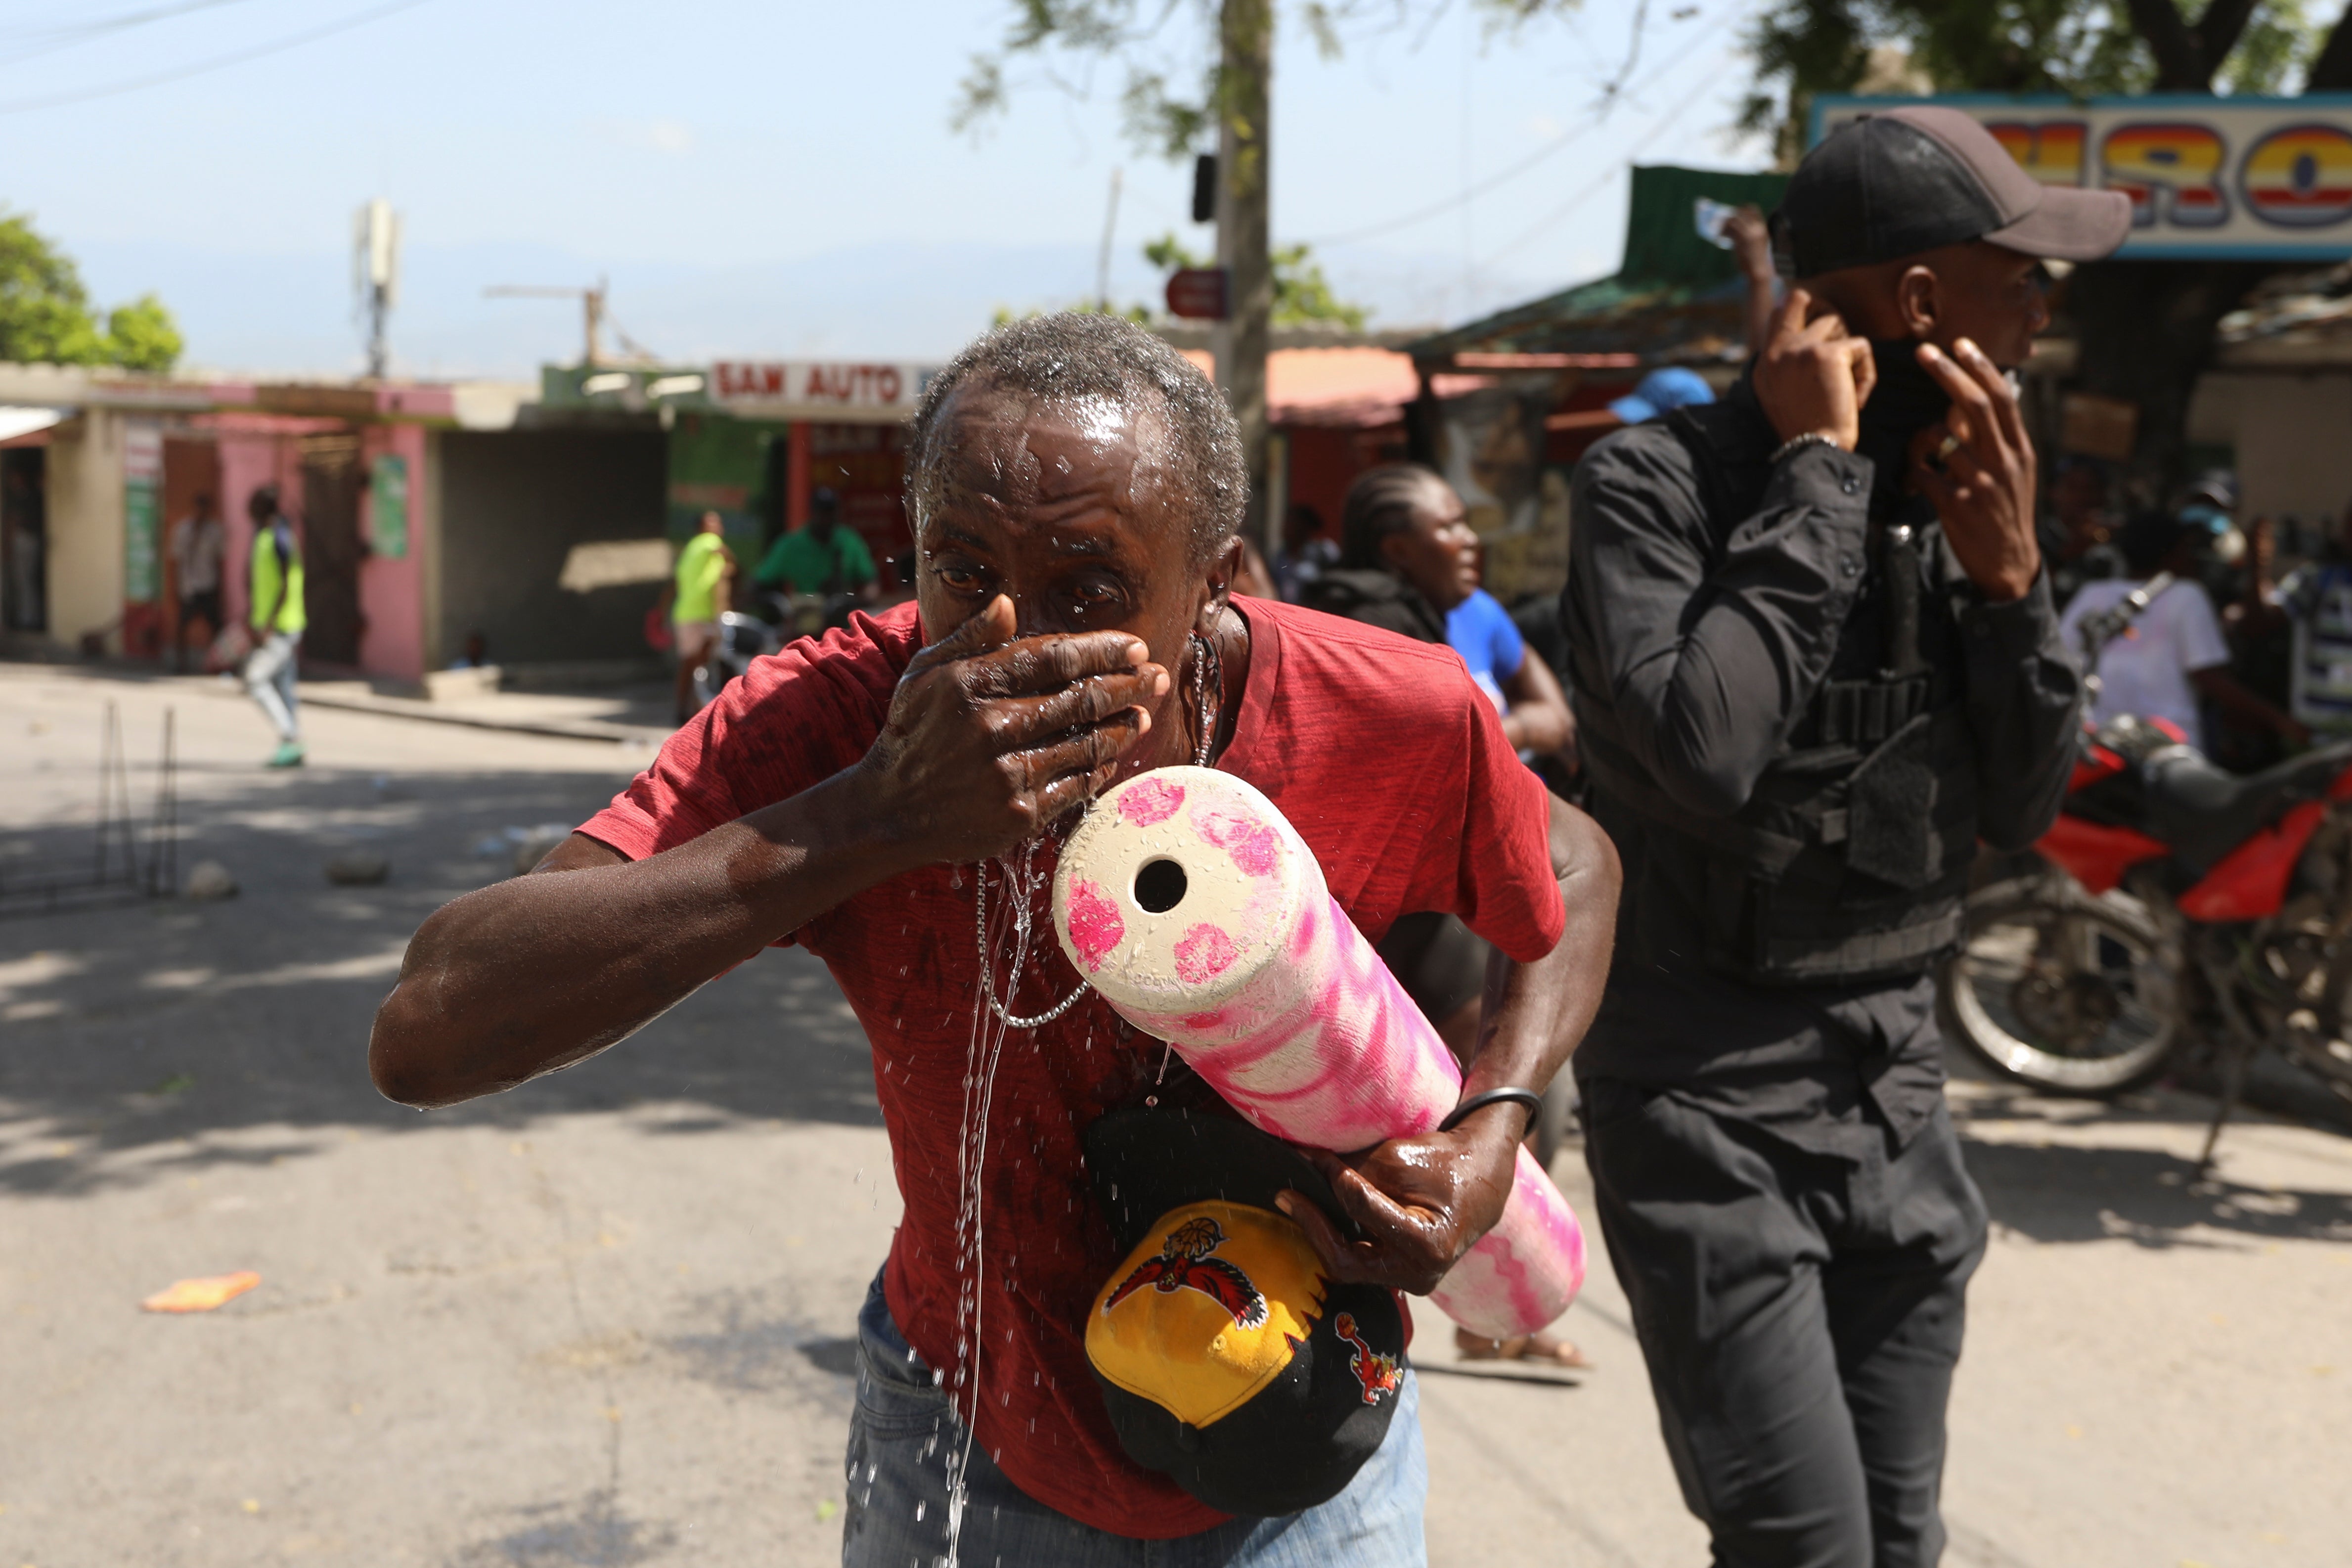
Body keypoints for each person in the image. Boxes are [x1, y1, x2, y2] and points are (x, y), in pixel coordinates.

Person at [367, 313, 1621, 1567]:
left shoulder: (1380, 709)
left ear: (1214, 582)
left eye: (1092, 588)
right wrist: (871, 817)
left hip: (1303, 1427)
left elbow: (1574, 859)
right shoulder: (846, 719)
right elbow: (428, 1034)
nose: (1012, 644)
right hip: (968, 1423)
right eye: (962, 573)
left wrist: (1494, 1126)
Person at [1562, 104, 2126, 1567]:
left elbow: (2017, 810)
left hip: (1893, 1095)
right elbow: (1701, 748)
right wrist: (1816, 473)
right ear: (1924, 298)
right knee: (1802, 1549)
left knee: (1898, 1540)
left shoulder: (1962, 492)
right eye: (2022, 273)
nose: (2043, 305)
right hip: (1705, 1113)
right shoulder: (1653, 489)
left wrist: (2008, 591)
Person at [2061, 511, 2307, 757]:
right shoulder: (2187, 595)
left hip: (2098, 747)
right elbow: (2209, 677)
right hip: (2167, 752)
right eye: (2186, 549)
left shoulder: (2092, 594)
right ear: (2172, 554)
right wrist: (2280, 721)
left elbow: (2063, 660)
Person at [243, 486, 307, 768]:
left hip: (282, 625)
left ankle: (290, 737)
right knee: (284, 687)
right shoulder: (266, 535)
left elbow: (282, 584)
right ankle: (293, 747)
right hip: (275, 624)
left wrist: (268, 623)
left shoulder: (280, 537)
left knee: (255, 679)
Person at [752, 486, 878, 604]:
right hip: (803, 617)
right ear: (812, 513)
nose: (826, 519)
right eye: (821, 513)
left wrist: (863, 599)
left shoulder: (849, 541)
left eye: (830, 512)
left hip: (841, 617)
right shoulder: (792, 544)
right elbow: (759, 581)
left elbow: (870, 581)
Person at [670, 509, 734, 723]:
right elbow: (728, 560)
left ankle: (684, 711)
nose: (717, 527)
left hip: (687, 613)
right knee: (700, 666)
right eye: (712, 523)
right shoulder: (710, 543)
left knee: (691, 665)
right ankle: (697, 716)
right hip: (700, 615)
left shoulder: (690, 548)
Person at [170, 492, 226, 672]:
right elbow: (175, 560)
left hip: (208, 584)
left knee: (216, 626)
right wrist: (175, 586)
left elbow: (219, 561)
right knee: (182, 626)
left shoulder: (215, 531)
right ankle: (181, 664)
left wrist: (220, 588)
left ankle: (218, 663)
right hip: (188, 586)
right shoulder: (183, 530)